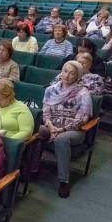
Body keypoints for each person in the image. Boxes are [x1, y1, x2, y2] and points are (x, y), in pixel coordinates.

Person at [39, 61, 92, 198]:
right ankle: (32, 167)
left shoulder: (83, 92)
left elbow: (83, 119)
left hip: (74, 129)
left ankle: (64, 180)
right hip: (52, 125)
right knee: (35, 130)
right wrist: (51, 126)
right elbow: (45, 113)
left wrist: (61, 129)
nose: (67, 75)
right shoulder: (51, 90)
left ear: (78, 76)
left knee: (61, 139)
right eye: (65, 71)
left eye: (72, 73)